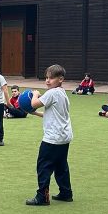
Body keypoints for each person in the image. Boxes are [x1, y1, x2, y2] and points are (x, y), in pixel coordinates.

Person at [25, 64, 73, 205]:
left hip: (53, 138)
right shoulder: (62, 93)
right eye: (46, 78)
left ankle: (42, 197)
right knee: (61, 165)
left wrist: (35, 94)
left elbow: (34, 103)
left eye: (51, 78)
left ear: (60, 79)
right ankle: (66, 193)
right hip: (64, 137)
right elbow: (53, 114)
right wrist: (35, 114)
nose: (47, 80)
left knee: (43, 166)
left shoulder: (52, 93)